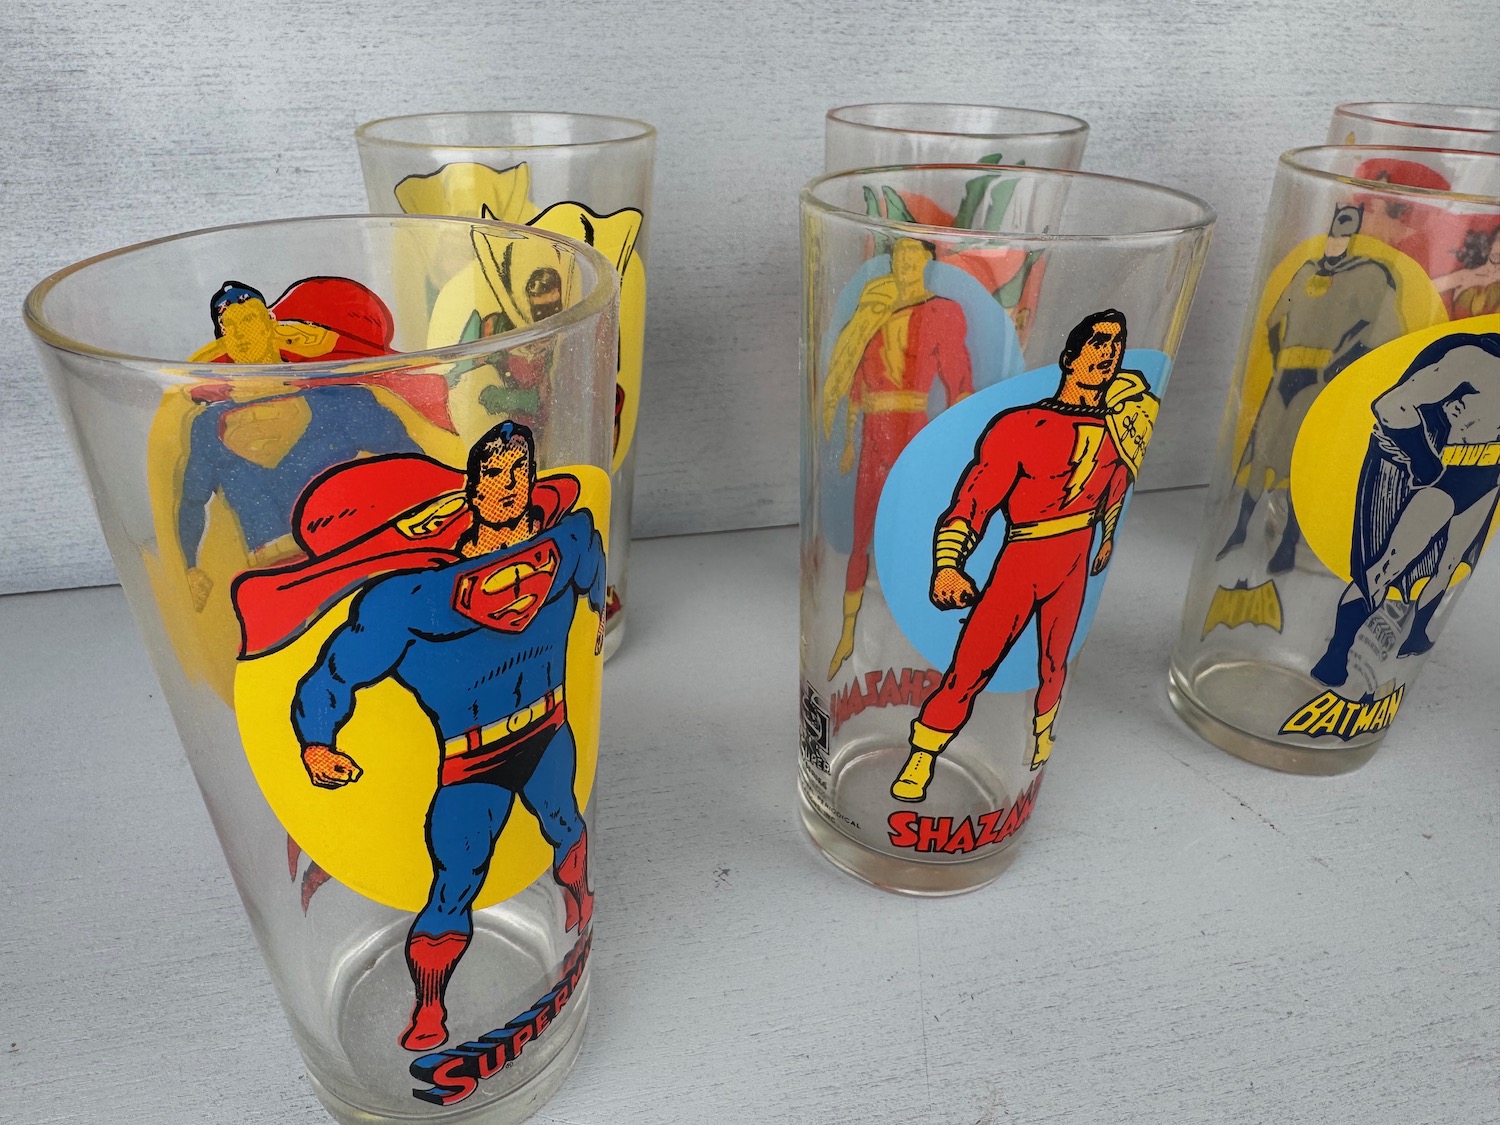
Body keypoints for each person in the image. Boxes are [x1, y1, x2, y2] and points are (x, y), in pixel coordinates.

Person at [241, 421, 605, 1052]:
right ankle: (431, 1011)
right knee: (455, 882)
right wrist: (316, 742)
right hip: (474, 764)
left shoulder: (565, 542)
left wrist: (597, 614)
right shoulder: (410, 600)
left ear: (533, 478)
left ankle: (576, 898)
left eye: (518, 471)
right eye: (492, 474)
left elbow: (592, 562)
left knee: (566, 824)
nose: (507, 486)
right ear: (471, 488)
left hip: (549, 730)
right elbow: (334, 673)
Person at [889, 311, 1157, 802]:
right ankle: (922, 757)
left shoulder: (1122, 426)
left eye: (1117, 344)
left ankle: (1038, 743)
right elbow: (974, 500)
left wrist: (1108, 536)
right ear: (1070, 356)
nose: (1109, 352)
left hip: (1074, 563)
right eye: (1098, 342)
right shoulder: (1022, 425)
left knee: (1056, 664)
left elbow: (1119, 484)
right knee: (972, 663)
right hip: (1024, 558)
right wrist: (948, 566)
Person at [1219, 205, 1404, 573]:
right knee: (1261, 450)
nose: (1335, 242)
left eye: (1343, 236)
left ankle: (1289, 544)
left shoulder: (1367, 275)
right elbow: (1273, 318)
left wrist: (1342, 362)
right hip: (1284, 374)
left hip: (1318, 381)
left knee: (1298, 464)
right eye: (1332, 235)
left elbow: (1386, 330)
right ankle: (1239, 530)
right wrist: (1277, 355)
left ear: (1352, 239)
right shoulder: (1306, 271)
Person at [822, 237, 973, 679]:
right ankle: (847, 633)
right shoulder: (874, 308)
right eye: (899, 254)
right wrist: (850, 442)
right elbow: (856, 379)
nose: (905, 261)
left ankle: (929, 635)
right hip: (873, 436)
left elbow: (959, 380)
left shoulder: (941, 312)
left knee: (919, 536)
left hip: (912, 433)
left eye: (914, 254)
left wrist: (958, 447)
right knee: (860, 537)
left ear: (927, 260)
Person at [1311, 332, 1500, 686]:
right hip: (1448, 475)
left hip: (1488, 479)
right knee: (1387, 567)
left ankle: (1416, 637)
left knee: (1449, 565)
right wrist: (1425, 462)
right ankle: (1337, 653)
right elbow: (1392, 405)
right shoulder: (1473, 360)